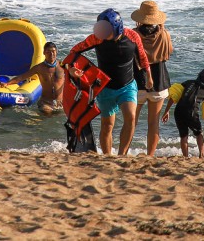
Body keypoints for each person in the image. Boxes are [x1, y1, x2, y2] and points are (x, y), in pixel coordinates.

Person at [64, 9, 153, 155]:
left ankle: (122, 154)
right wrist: (72, 68)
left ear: (116, 27)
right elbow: (74, 51)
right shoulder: (97, 39)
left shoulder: (132, 36)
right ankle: (107, 157)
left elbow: (142, 57)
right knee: (107, 125)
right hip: (105, 89)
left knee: (130, 118)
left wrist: (149, 76)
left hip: (128, 86)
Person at [131, 0, 173, 156]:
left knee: (131, 121)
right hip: (159, 83)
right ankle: (150, 155)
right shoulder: (164, 35)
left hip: (137, 82)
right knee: (153, 123)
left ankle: (124, 150)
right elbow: (169, 52)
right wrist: (162, 30)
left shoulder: (133, 35)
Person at [162, 66, 204, 158]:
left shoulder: (188, 82)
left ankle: (185, 157)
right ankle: (202, 155)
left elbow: (174, 96)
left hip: (178, 112)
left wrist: (166, 111)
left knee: (184, 136)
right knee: (199, 134)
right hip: (191, 114)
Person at [2, 41, 66, 114]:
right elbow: (22, 77)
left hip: (60, 102)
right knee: (47, 113)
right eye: (48, 51)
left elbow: (73, 75)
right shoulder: (39, 68)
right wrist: (7, 83)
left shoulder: (62, 65)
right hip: (46, 102)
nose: (51, 54)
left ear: (56, 52)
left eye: (53, 51)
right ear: (44, 53)